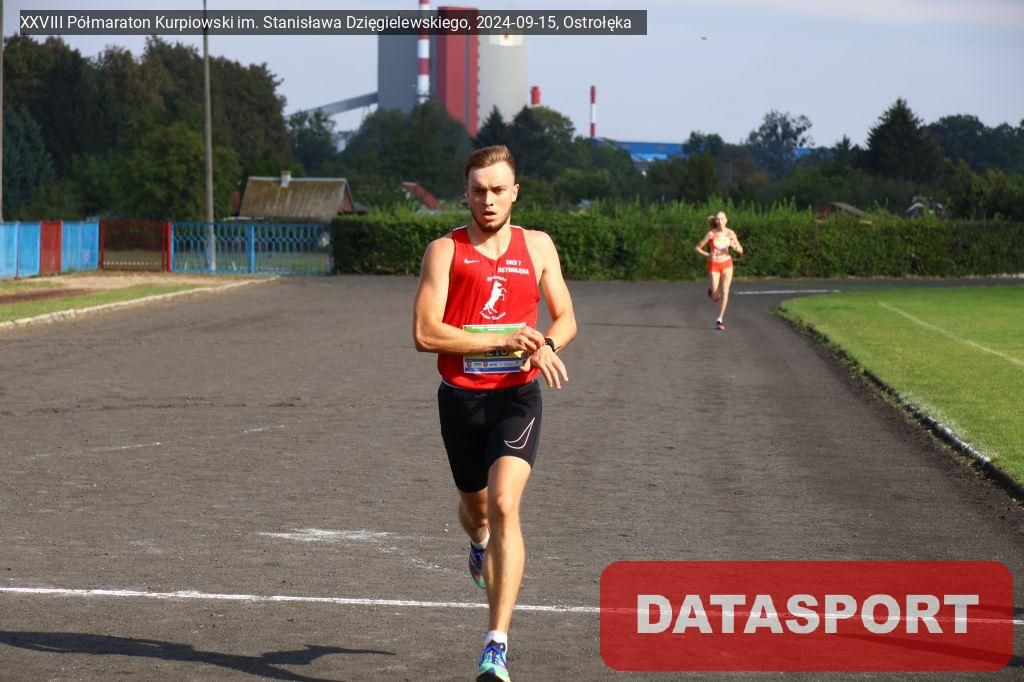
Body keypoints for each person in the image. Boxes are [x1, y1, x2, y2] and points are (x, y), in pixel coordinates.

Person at [413, 145, 577, 682]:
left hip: (516, 398)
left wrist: (546, 344)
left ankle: (495, 645)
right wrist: (502, 338)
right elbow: (425, 333)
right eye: (479, 190)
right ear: (466, 193)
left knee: (506, 504)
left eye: (498, 190)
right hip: (461, 400)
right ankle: (478, 543)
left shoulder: (539, 246)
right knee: (479, 512)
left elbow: (566, 316)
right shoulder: (445, 251)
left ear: (515, 193)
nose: (488, 200)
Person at [694, 211, 744, 330]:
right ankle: (713, 292)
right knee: (715, 297)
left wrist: (734, 246)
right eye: (718, 219)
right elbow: (697, 248)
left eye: (722, 219)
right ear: (715, 221)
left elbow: (741, 250)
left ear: (726, 220)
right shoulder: (711, 234)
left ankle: (719, 319)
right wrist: (708, 254)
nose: (720, 221)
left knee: (726, 291)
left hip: (727, 263)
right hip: (714, 264)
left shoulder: (730, 233)